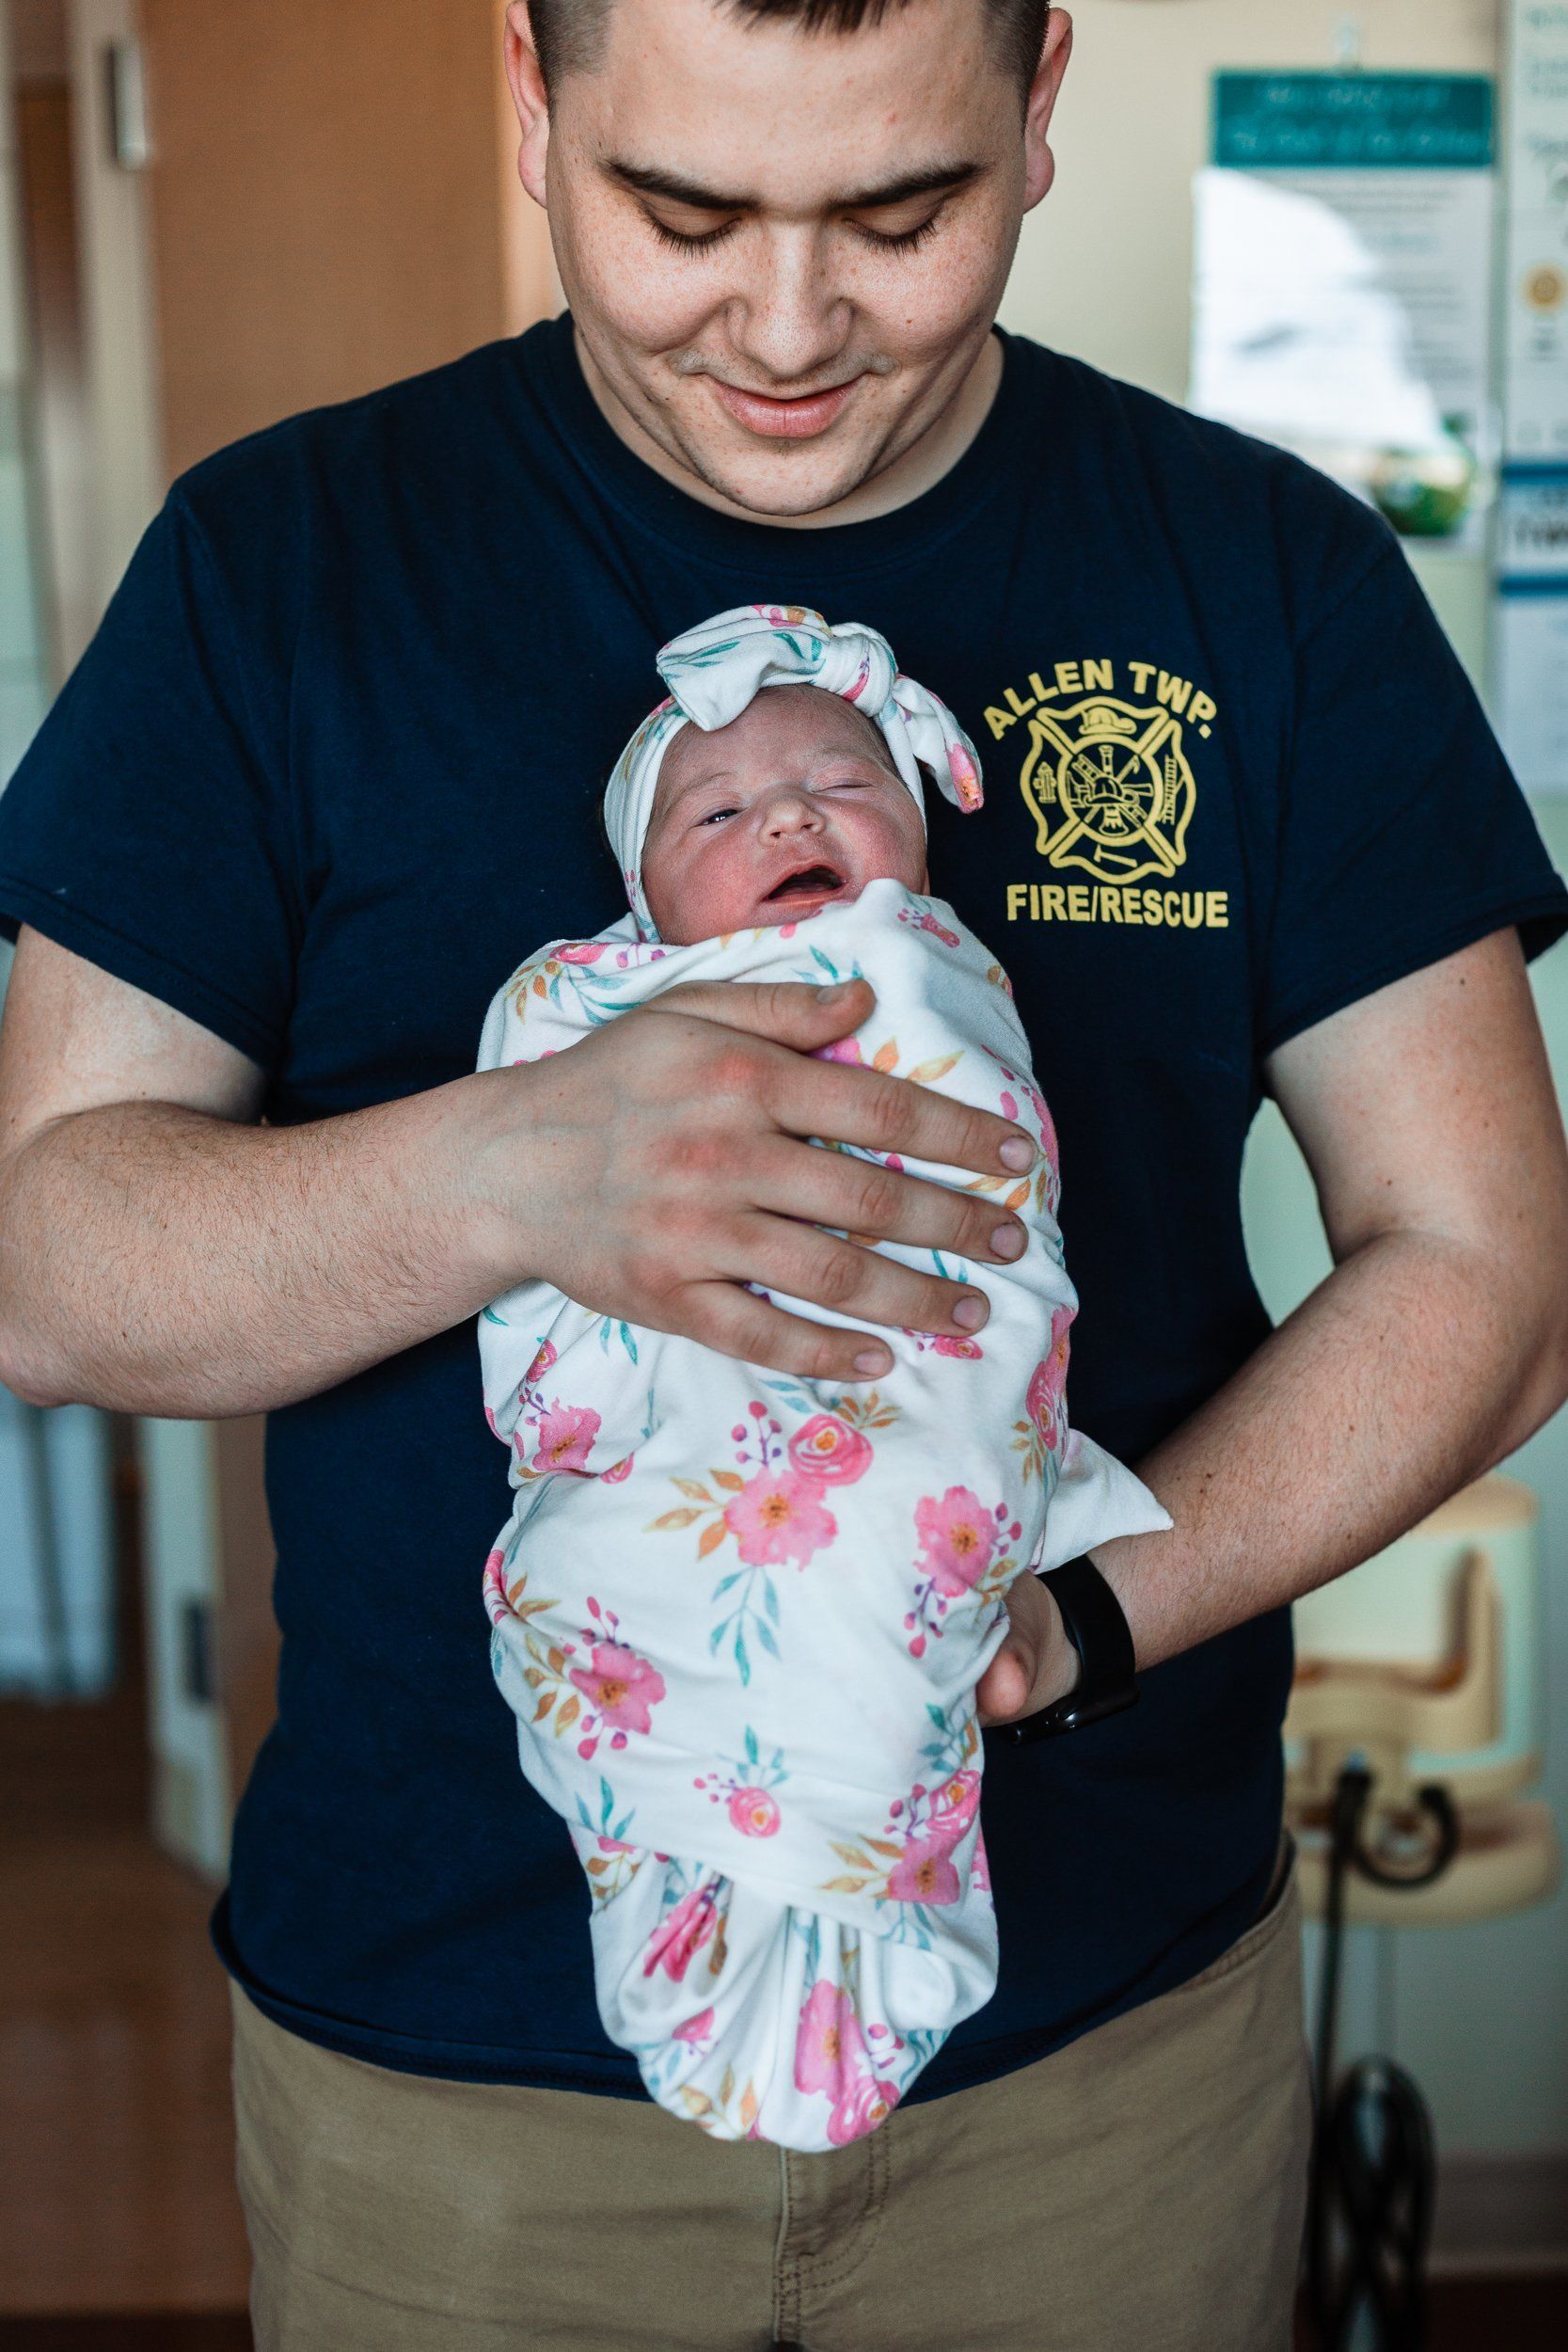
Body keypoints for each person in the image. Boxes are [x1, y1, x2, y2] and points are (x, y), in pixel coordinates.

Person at [0, 1, 1565, 2344]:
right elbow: (46, 1258)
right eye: (686, 212)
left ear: (1042, 103)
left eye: (902, 213)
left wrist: (1073, 1619)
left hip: (1104, 2060)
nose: (793, 323)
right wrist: (522, 1169)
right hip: (457, 2078)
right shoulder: (281, 566)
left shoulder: (1267, 578)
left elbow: (1491, 1265)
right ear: (533, 102)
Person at [476, 605, 1168, 2153]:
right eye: (717, 815)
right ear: (646, 903)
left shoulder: (932, 969)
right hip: (686, 1426)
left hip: (898, 1415)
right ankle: (702, 1899)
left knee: (883, 1562)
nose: (790, 817)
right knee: (597, 1572)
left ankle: (852, 1894)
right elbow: (523, 1170)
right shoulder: (595, 1001)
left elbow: (987, 1163)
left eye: (846, 786)